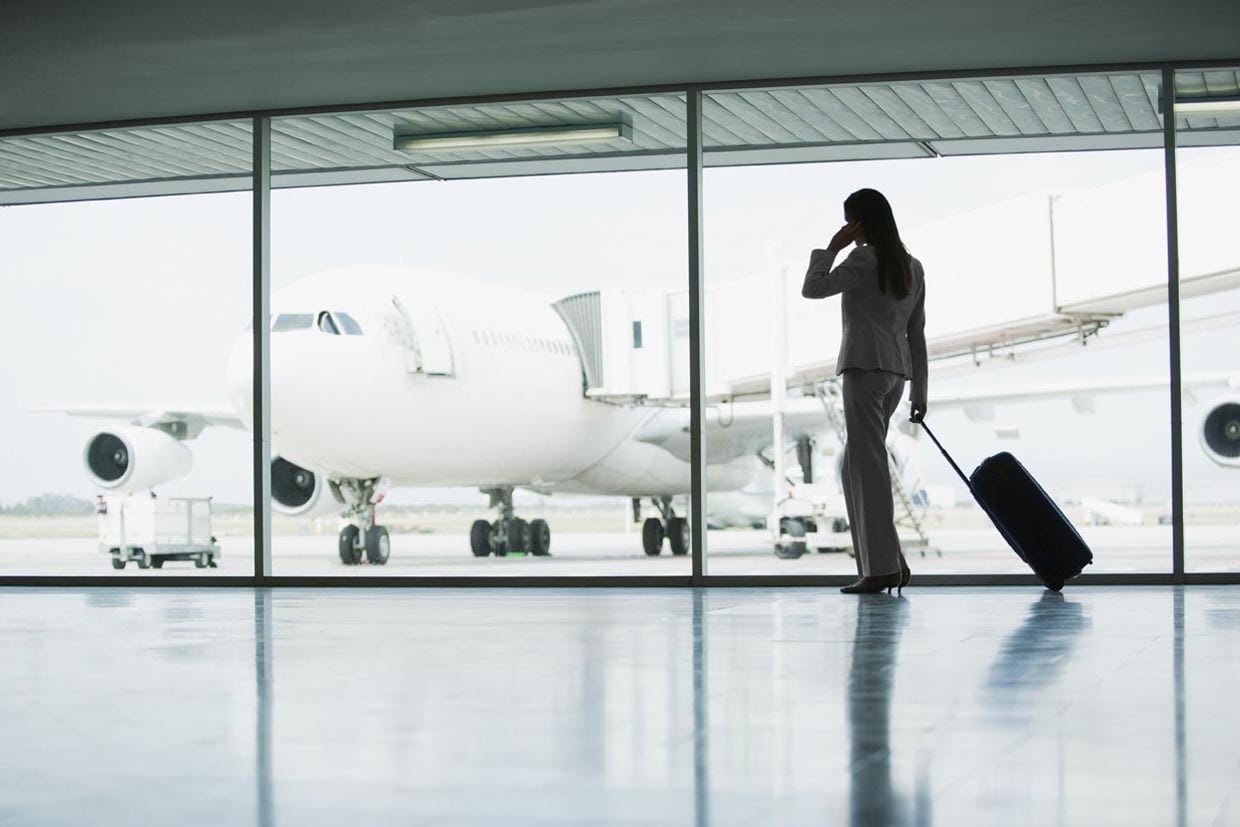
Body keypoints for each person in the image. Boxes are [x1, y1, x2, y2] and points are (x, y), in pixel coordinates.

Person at [801, 188, 927, 595]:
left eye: (849, 221)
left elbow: (813, 288)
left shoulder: (862, 258)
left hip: (864, 368)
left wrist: (831, 248)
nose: (847, 230)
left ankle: (880, 571)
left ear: (860, 222)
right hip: (895, 375)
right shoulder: (912, 266)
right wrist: (919, 392)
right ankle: (889, 563)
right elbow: (916, 334)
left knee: (867, 469)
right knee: (855, 466)